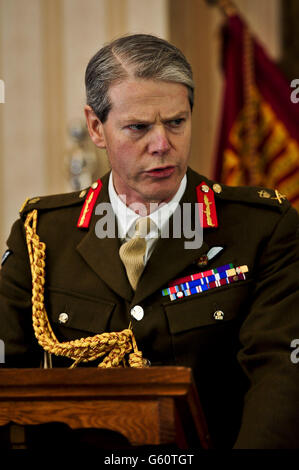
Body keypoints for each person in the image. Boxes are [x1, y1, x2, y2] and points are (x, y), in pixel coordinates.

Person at [0, 34, 298, 450]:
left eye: (176, 122)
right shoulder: (44, 234)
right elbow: (7, 377)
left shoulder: (262, 229)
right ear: (95, 128)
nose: (162, 145)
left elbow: (281, 374)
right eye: (138, 127)